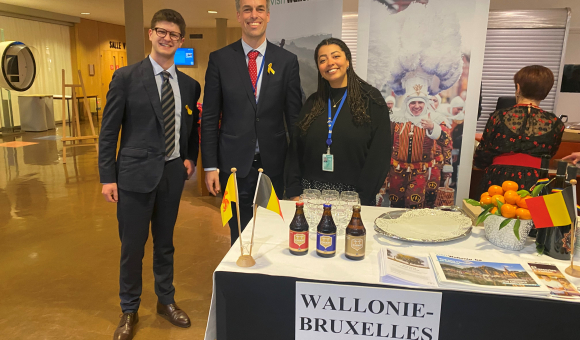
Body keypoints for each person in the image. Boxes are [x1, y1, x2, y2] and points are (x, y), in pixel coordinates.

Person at [98, 9, 200, 340]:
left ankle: (165, 301)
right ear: (151, 34)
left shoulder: (189, 85)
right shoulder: (127, 77)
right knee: (132, 246)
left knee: (165, 244)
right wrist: (107, 176)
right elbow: (109, 131)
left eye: (174, 34)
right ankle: (129, 309)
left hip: (172, 175)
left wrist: (189, 157)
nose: (167, 38)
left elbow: (191, 129)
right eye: (162, 31)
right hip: (133, 176)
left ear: (181, 41)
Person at [201, 0, 302, 245]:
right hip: (234, 167)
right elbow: (210, 117)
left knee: (273, 233)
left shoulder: (287, 61)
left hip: (273, 165)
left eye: (259, 9)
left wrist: (296, 172)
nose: (253, 15)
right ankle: (242, 280)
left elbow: (294, 119)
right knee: (240, 234)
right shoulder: (220, 60)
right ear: (238, 15)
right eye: (247, 9)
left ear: (268, 15)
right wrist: (210, 166)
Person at [285, 38, 391, 206]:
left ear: (347, 61)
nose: (330, 63)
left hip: (353, 198)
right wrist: (294, 192)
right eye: (322, 60)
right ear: (319, 69)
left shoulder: (371, 100)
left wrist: (360, 200)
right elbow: (295, 151)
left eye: (335, 56)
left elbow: (379, 155)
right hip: (310, 195)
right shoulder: (313, 103)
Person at [473, 65, 565, 193]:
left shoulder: (499, 116)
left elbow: (483, 154)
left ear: (518, 87)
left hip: (498, 179)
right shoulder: (556, 123)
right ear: (546, 92)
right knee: (531, 213)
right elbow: (550, 155)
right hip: (536, 181)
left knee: (492, 211)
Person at [389, 73, 452, 209]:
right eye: (413, 102)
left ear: (425, 103)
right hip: (397, 171)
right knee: (395, 205)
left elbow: (447, 142)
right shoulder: (396, 119)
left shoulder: (435, 119)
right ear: (407, 103)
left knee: (414, 206)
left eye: (420, 102)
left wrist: (433, 128)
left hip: (420, 173)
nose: (416, 106)